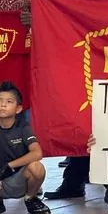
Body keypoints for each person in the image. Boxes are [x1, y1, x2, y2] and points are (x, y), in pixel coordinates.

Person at [44, 0, 108, 200]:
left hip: (107, 70)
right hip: (76, 70)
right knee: (78, 124)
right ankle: (72, 183)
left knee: (105, 127)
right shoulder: (66, 2)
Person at [0, 81, 50, 213]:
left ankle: (30, 198)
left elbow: (37, 153)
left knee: (37, 167)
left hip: (16, 180)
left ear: (18, 109)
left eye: (9, 101)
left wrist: (9, 166)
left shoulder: (23, 127)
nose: (3, 105)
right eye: (0, 100)